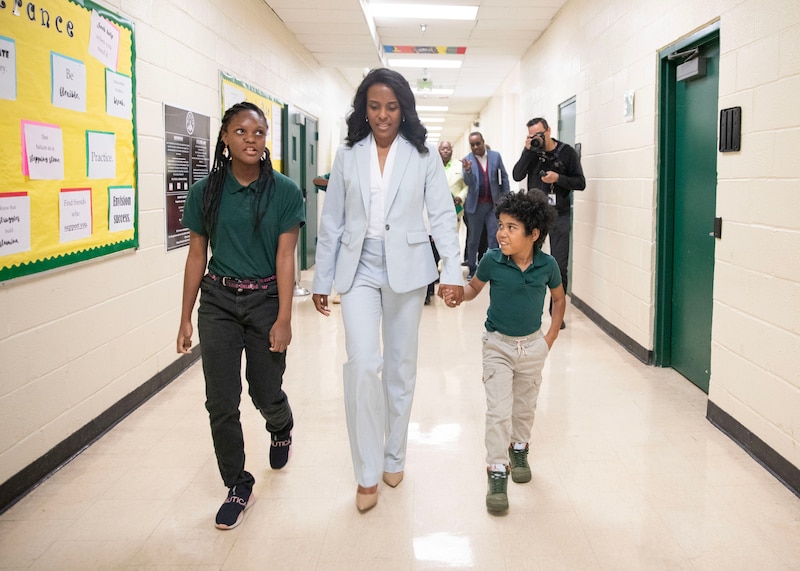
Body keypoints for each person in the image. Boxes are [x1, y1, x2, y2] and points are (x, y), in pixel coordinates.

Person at [311, 68, 464, 512]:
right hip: (358, 266)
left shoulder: (422, 155)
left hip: (408, 267)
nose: (382, 115)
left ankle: (395, 454)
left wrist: (451, 271)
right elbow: (333, 222)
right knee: (362, 365)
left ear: (404, 110)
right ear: (364, 109)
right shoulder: (348, 155)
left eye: (391, 107)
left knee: (400, 366)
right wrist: (323, 278)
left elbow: (440, 215)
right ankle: (366, 471)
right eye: (374, 106)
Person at [177, 102, 305, 530]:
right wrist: (185, 317)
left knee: (264, 392)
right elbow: (197, 256)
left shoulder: (284, 191)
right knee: (220, 400)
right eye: (242, 132)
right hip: (218, 302)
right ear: (226, 138)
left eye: (259, 133)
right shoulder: (207, 192)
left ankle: (281, 424)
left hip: (267, 298)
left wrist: (285, 316)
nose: (252, 140)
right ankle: (237, 482)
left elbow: (287, 257)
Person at [445, 190, 564, 513]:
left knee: (524, 408)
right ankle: (497, 470)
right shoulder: (492, 260)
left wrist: (549, 337)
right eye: (501, 225)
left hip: (532, 347)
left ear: (534, 234)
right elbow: (473, 289)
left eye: (512, 227)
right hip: (497, 344)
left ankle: (519, 448)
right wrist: (459, 295)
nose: (501, 233)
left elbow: (558, 299)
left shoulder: (547, 265)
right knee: (498, 411)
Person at [512, 117, 585, 328]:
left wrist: (558, 179)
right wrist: (527, 151)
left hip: (560, 215)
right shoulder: (531, 153)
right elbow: (517, 175)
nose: (536, 139)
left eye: (539, 135)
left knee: (559, 266)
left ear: (548, 131)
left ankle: (557, 314)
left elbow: (580, 182)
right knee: (527, 263)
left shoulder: (567, 152)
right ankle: (527, 310)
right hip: (534, 215)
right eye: (532, 135)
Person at [462, 132, 509, 281]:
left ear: (483, 142)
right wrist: (468, 171)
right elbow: (468, 183)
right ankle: (472, 268)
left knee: (494, 237)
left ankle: (493, 268)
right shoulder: (467, 160)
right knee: (473, 240)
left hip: (493, 206)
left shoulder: (495, 156)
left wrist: (505, 198)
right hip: (475, 207)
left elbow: (504, 177)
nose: (475, 147)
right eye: (472, 144)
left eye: (478, 143)